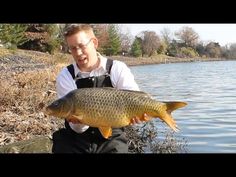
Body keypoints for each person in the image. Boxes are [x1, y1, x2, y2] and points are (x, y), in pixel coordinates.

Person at [52, 24, 142, 153]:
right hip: (76, 139)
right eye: (73, 48)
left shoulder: (117, 68)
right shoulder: (66, 75)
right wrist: (78, 119)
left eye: (82, 46)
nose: (78, 53)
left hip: (112, 138)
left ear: (94, 43)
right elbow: (77, 129)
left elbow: (135, 98)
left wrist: (136, 116)